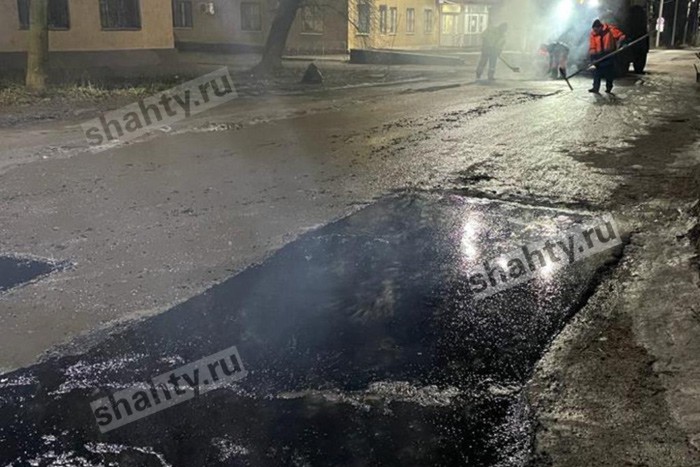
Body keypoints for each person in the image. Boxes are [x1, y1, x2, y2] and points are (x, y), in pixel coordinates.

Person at [588, 19, 626, 94]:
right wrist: (593, 58)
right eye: (594, 30)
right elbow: (592, 47)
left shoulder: (610, 30)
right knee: (597, 73)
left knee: (608, 73)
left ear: (600, 27)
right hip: (598, 56)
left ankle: (609, 88)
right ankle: (595, 88)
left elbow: (621, 36)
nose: (595, 31)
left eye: (596, 30)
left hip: (609, 54)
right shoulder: (593, 34)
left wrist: (623, 43)